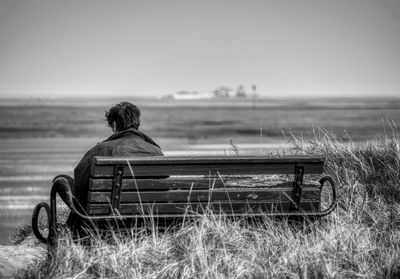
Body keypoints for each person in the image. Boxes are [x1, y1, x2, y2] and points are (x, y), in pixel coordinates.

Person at [72, 101, 164, 209]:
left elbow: (81, 186)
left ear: (114, 124)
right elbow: (162, 185)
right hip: (147, 212)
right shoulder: (156, 151)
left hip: (104, 214)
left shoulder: (101, 150)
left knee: (61, 180)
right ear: (137, 122)